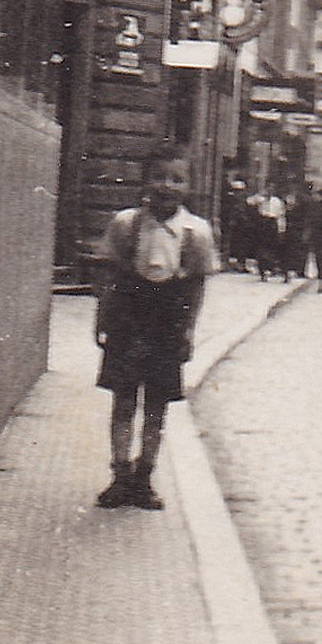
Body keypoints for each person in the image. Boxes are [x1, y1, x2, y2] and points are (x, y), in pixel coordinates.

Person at [93, 144, 217, 510]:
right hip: (129, 321)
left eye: (177, 179)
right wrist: (101, 320)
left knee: (157, 405)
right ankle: (119, 475)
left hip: (167, 322)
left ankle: (144, 477)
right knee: (123, 399)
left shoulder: (196, 233)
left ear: (189, 184)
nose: (167, 186)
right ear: (146, 181)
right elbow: (110, 277)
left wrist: (189, 331)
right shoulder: (127, 225)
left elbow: (196, 285)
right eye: (159, 177)